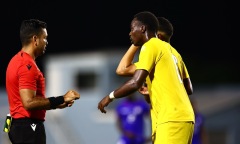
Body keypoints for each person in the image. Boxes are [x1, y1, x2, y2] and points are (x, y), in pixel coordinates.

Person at [98, 11, 195, 144]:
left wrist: (109, 97)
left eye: (132, 29)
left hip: (171, 118)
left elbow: (135, 83)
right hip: (180, 117)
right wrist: (154, 89)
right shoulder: (173, 52)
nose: (130, 33)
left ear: (143, 28)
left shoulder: (150, 46)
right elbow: (188, 89)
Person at [5, 19, 80, 144]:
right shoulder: (27, 66)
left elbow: (28, 101)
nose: (46, 42)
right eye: (44, 38)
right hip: (28, 127)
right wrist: (62, 98)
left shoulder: (16, 60)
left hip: (18, 125)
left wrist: (56, 104)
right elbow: (28, 103)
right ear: (35, 39)